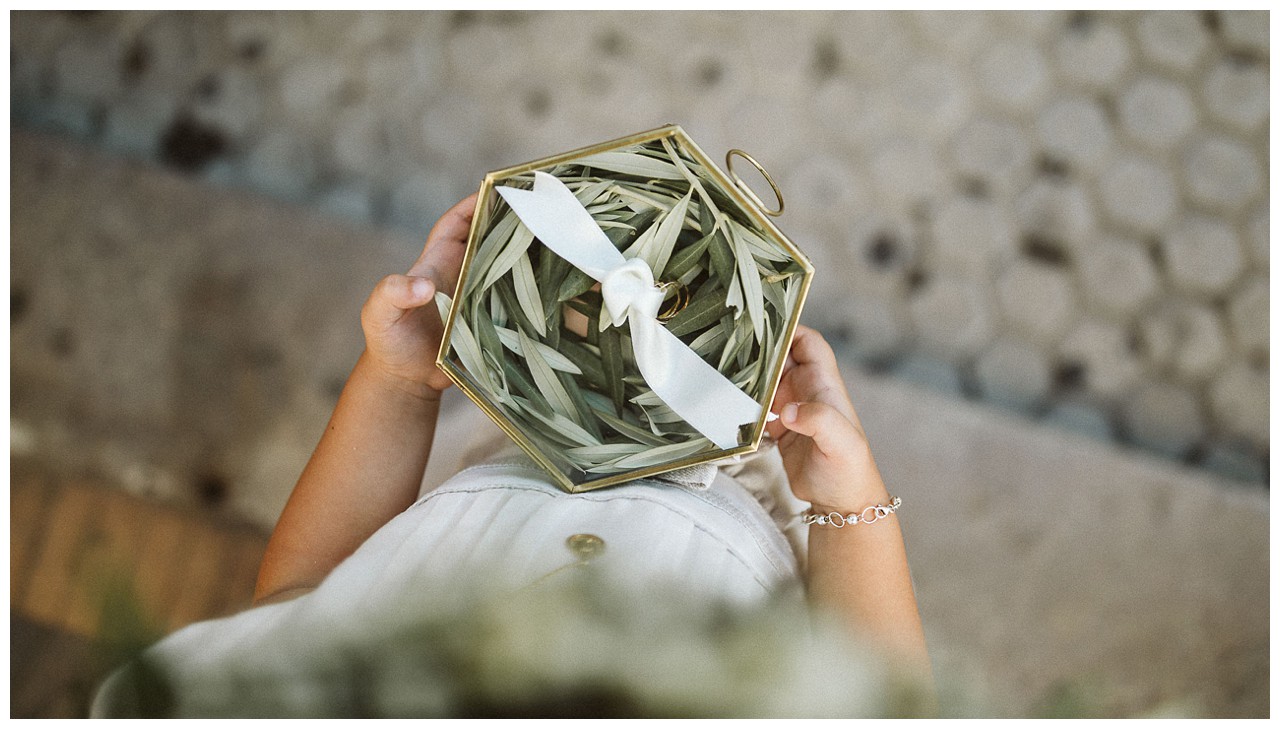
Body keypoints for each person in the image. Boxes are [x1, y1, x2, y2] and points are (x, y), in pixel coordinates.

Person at [95, 195, 931, 717]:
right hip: (747, 503)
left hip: (517, 456)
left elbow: (298, 597)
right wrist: (846, 503)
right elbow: (880, 703)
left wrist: (399, 385)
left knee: (603, 299)